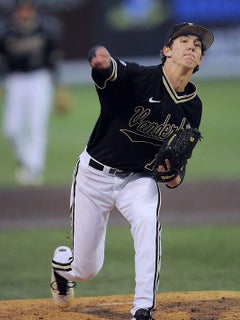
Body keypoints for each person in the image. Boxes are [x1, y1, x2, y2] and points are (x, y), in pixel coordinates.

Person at [50, 22, 214, 320]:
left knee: (147, 221)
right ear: (166, 51)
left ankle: (142, 308)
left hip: (139, 179)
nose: (193, 46)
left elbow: (176, 171)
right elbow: (109, 69)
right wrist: (100, 59)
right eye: (184, 41)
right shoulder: (139, 78)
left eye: (199, 45)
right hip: (94, 176)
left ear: (201, 59)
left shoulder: (193, 107)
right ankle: (64, 268)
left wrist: (173, 174)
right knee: (87, 270)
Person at [0, 0, 63, 186]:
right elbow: (3, 61)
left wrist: (59, 87)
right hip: (16, 80)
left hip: (39, 79)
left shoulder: (45, 29)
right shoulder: (7, 31)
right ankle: (27, 161)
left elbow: (53, 59)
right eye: (21, 9)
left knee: (37, 125)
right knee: (11, 129)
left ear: (33, 9)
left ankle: (34, 168)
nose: (24, 12)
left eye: (27, 8)